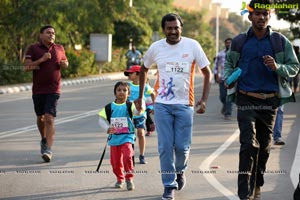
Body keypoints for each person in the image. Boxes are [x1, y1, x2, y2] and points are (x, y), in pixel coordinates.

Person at [224, 0, 299, 199]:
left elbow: (294, 67)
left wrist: (278, 68)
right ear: (250, 16)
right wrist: (228, 79)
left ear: (269, 16)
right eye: (258, 13)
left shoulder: (279, 41)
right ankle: (244, 194)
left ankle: (257, 183)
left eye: (265, 13)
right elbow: (229, 65)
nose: (262, 17)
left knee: (264, 148)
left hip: (270, 101)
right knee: (248, 144)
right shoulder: (240, 41)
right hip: (246, 99)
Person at [135, 13, 211, 200]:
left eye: (176, 27)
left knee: (182, 147)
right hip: (162, 104)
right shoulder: (156, 47)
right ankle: (169, 185)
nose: (173, 31)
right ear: (164, 30)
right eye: (169, 28)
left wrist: (203, 100)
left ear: (181, 28)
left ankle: (180, 171)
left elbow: (207, 72)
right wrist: (140, 95)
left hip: (185, 104)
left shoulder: (192, 45)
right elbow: (144, 69)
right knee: (165, 146)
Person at [24, 25, 69, 162]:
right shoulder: (33, 49)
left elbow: (65, 61)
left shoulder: (59, 48)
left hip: (54, 89)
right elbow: (26, 67)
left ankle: (48, 149)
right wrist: (41, 60)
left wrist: (65, 64)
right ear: (41, 35)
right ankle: (43, 139)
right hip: (38, 90)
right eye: (48, 32)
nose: (51, 35)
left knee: (49, 118)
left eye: (53, 33)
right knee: (40, 118)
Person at [98, 81, 136, 190]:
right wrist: (107, 128)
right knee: (115, 162)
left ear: (128, 93)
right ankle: (120, 178)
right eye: (119, 90)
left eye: (125, 90)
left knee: (128, 156)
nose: (121, 92)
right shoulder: (109, 107)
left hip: (127, 137)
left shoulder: (130, 105)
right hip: (114, 139)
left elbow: (137, 113)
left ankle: (129, 178)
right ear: (115, 93)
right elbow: (101, 120)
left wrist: (139, 108)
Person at [124, 65, 155, 164]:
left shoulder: (145, 86)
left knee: (141, 133)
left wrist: (155, 107)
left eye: (131, 73)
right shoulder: (127, 86)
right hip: (128, 114)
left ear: (138, 74)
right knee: (129, 135)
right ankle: (130, 155)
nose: (129, 75)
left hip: (141, 114)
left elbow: (153, 94)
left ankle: (142, 155)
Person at [213, 38, 233, 119]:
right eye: (227, 43)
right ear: (225, 44)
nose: (228, 44)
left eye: (230, 43)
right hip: (222, 78)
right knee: (222, 96)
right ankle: (224, 105)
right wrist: (216, 75)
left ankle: (228, 113)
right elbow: (215, 65)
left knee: (229, 95)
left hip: (232, 78)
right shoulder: (220, 54)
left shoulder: (235, 54)